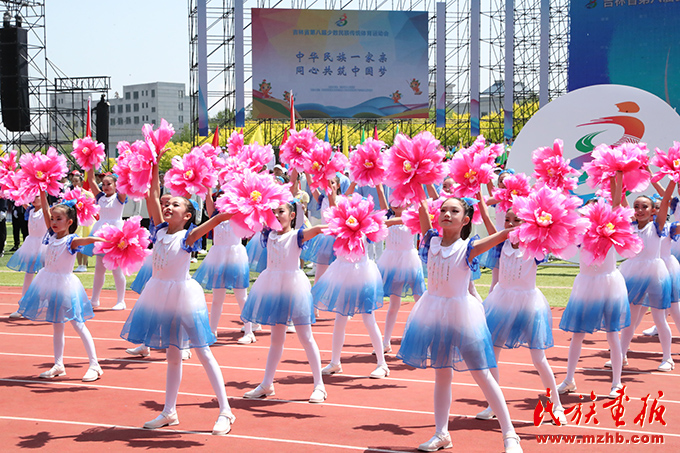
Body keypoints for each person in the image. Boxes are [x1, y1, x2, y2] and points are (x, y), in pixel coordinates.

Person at [397, 194, 522, 453]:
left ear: (465, 220)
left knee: (482, 374)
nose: (446, 214)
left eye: (454, 211)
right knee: (442, 375)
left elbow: (500, 236)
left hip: (463, 316)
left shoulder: (469, 248)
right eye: (443, 209)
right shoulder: (430, 240)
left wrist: (525, 224)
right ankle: (441, 434)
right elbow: (420, 199)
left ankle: (510, 435)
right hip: (433, 314)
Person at [120, 159, 236, 435]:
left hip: (183, 296)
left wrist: (241, 206)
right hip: (159, 294)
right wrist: (154, 162)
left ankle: (226, 411)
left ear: (187, 216)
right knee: (172, 355)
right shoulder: (159, 230)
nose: (169, 207)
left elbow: (217, 219)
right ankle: (169, 411)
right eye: (168, 204)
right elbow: (151, 192)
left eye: (177, 205)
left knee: (203, 352)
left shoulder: (188, 236)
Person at [475, 200, 567, 424]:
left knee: (539, 358)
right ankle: (493, 404)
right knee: (492, 355)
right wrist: (478, 191)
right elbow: (487, 220)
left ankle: (556, 406)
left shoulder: (535, 245)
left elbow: (551, 226)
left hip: (528, 303)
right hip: (502, 301)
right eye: (507, 219)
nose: (510, 224)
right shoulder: (500, 243)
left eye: (517, 220)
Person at [241, 199, 328, 403]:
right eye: (273, 212)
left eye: (281, 211)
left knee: (306, 337)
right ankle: (267, 384)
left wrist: (345, 225)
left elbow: (316, 230)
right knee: (275, 340)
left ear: (292, 216)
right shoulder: (267, 234)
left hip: (294, 288)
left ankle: (319, 386)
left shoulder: (296, 235)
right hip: (273, 288)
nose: (277, 215)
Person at [17, 188, 105, 382]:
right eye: (53, 219)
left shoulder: (71, 240)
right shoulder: (50, 235)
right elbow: (47, 208)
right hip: (48, 282)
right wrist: (41, 188)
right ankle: (58, 364)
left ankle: (94, 364)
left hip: (66, 286)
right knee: (57, 324)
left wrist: (101, 239)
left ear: (69, 222)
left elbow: (86, 239)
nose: (54, 222)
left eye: (59, 219)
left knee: (78, 324)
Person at [558, 174, 632, 398]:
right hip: (587, 284)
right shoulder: (580, 234)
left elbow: (618, 204)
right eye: (586, 214)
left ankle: (616, 383)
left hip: (609, 284)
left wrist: (616, 175)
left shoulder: (611, 231)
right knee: (578, 334)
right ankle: (569, 379)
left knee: (612, 334)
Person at [618, 178, 676, 371]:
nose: (639, 209)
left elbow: (666, 200)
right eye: (636, 206)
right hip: (634, 274)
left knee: (659, 319)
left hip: (655, 275)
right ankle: (621, 355)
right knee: (630, 319)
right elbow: (619, 200)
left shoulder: (657, 226)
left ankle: (668, 358)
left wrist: (673, 179)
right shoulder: (631, 226)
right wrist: (616, 177)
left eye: (645, 206)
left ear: (653, 211)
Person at [193, 188, 253, 344]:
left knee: (241, 296)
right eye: (218, 196)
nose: (220, 199)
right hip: (218, 257)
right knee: (217, 297)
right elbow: (207, 197)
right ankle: (212, 331)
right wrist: (207, 187)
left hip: (235, 257)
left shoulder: (238, 214)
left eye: (224, 196)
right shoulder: (214, 215)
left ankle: (249, 331)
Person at [374, 185, 425, 353]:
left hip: (409, 260)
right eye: (393, 200)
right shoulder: (386, 215)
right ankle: (386, 342)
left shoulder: (413, 216)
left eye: (400, 200)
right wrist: (376, 179)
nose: (396, 203)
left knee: (421, 302)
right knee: (393, 304)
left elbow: (420, 204)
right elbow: (380, 192)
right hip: (392, 261)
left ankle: (426, 339)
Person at [83, 168, 127, 310]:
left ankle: (121, 300)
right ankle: (95, 299)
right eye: (104, 184)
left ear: (116, 185)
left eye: (109, 184)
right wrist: (89, 163)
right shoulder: (100, 197)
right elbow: (90, 180)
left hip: (115, 235)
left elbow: (125, 184)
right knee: (99, 268)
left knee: (116, 269)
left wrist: (125, 168)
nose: (105, 186)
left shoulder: (120, 197)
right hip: (100, 233)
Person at [7, 195, 48, 318]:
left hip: (44, 245)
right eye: (33, 196)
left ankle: (46, 306)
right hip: (31, 244)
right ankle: (23, 306)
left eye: (38, 196)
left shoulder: (46, 211)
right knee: (28, 274)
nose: (34, 199)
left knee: (45, 274)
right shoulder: (30, 209)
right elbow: (19, 197)